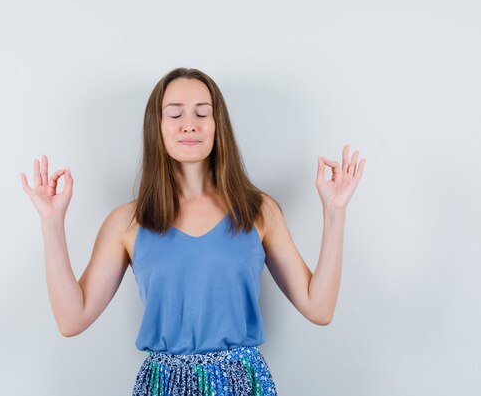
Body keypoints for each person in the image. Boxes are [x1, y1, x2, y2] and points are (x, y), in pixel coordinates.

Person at [20, 67, 366, 395]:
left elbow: (319, 309)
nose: (190, 125)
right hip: (163, 386)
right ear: (158, 126)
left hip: (242, 383)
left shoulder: (258, 211)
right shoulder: (128, 221)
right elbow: (71, 319)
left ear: (218, 125)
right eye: (175, 114)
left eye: (202, 113)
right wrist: (51, 222)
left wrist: (335, 211)